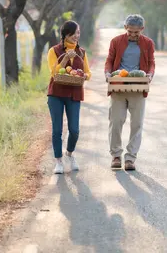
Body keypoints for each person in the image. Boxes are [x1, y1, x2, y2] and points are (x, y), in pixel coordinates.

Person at [104, 14, 155, 171]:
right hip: (118, 85)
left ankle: (130, 158)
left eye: (136, 32)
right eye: (130, 31)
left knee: (137, 123)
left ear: (142, 29)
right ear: (125, 27)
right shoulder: (116, 41)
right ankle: (116, 156)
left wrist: (150, 75)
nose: (133, 35)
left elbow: (152, 63)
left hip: (138, 87)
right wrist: (107, 73)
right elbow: (109, 60)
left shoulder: (148, 43)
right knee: (116, 121)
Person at [47, 20, 92, 174]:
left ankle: (69, 154)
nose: (76, 36)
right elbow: (54, 72)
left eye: (78, 33)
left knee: (74, 130)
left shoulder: (82, 52)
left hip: (74, 93)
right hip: (56, 94)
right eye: (73, 34)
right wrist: (65, 58)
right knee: (57, 130)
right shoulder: (53, 51)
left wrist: (84, 76)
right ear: (66, 34)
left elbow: (88, 72)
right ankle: (58, 161)